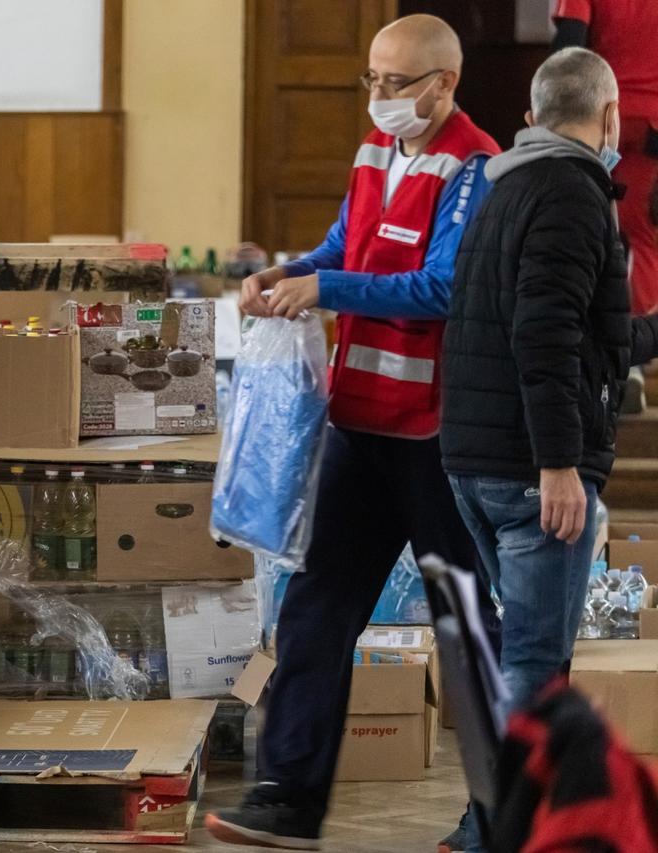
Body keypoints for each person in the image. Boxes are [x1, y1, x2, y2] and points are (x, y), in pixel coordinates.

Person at [204, 15, 500, 850]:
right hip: (360, 425)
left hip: (436, 439)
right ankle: (288, 799)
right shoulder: (375, 153)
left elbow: (443, 285)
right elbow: (348, 245)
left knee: (466, 628)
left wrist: (326, 285)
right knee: (315, 607)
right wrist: (292, 272)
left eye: (396, 83)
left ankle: (495, 816)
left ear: (443, 84)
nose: (378, 98)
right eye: (370, 79)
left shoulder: (472, 164)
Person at [441, 47, 658, 852]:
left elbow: (591, 334)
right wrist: (559, 465)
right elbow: (545, 336)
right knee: (535, 664)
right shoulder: (571, 194)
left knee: (517, 656)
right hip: (530, 469)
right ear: (608, 118)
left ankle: (486, 820)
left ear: (535, 115)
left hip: (475, 455)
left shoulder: (505, 186)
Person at [553, 1, 658, 412]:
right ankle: (633, 359)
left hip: (597, 118)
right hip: (652, 124)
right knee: (643, 241)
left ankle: (588, 342)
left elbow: (569, 46)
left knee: (588, 228)